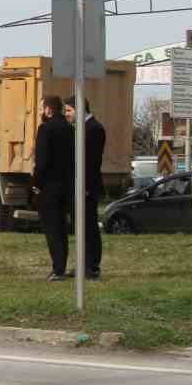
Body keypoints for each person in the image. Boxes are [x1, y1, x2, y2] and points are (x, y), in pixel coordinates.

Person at [33, 94, 76, 281]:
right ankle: (62, 266)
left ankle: (58, 269)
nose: (41, 112)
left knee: (51, 229)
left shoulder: (45, 129)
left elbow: (41, 161)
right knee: (62, 229)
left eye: (42, 108)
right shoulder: (70, 128)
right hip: (66, 185)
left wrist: (36, 183)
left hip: (49, 186)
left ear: (48, 109)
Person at [83, 102, 107, 279]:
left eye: (69, 110)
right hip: (86, 184)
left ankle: (92, 266)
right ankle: (86, 264)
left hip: (89, 185)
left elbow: (91, 162)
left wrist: (85, 186)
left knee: (90, 226)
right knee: (84, 226)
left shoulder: (93, 129)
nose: (67, 114)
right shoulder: (85, 127)